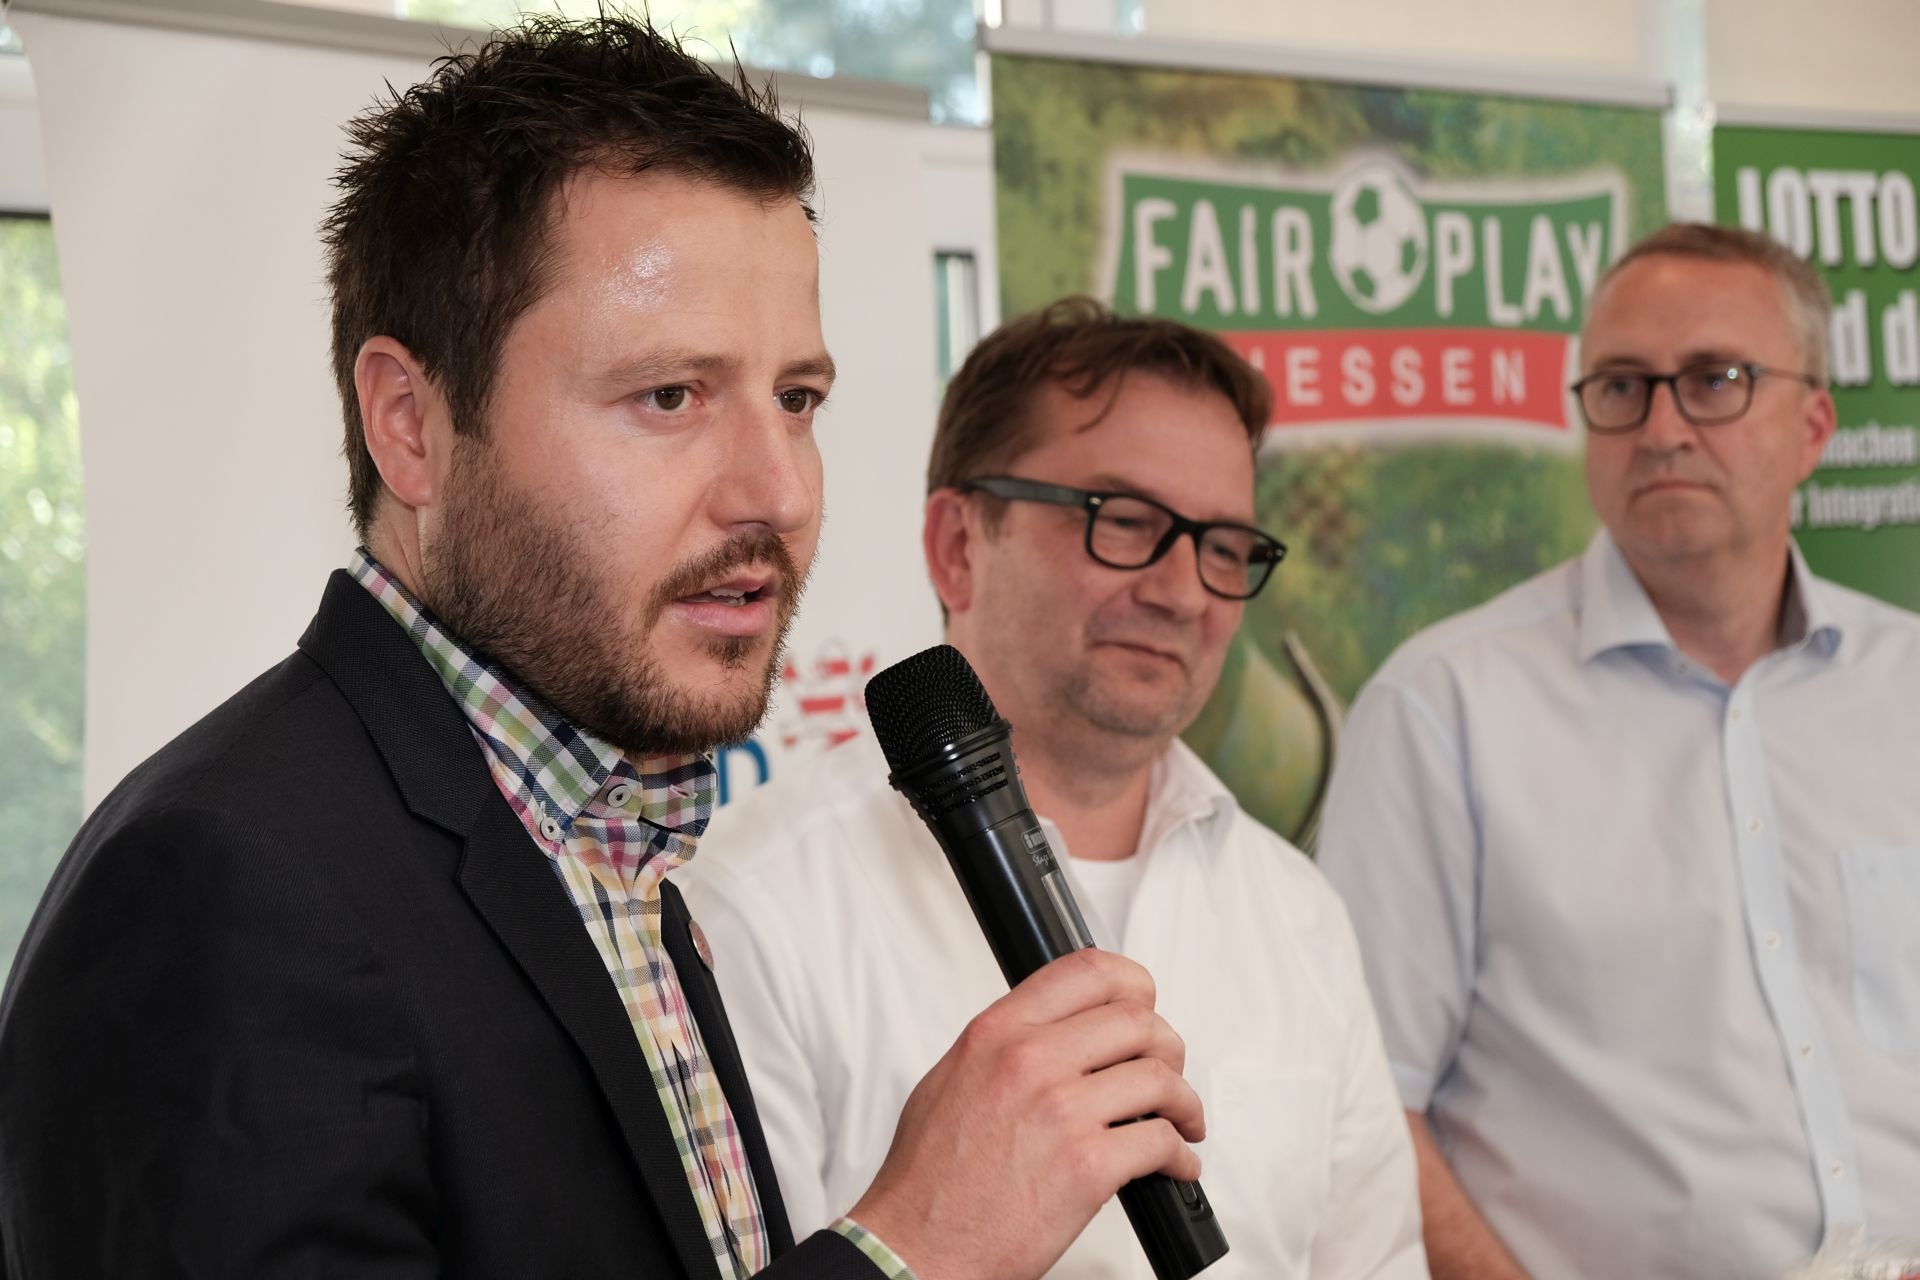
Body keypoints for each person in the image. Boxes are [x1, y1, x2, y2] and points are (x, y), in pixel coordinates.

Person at [0, 21, 1209, 1278]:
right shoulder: (228, 887)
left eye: (796, 399)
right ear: (410, 426)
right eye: (668, 396)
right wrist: (910, 1247)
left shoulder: (611, 842)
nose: (778, 492)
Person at [680, 297, 1428, 1279]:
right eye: (1126, 521)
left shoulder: (1295, 910)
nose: (1183, 592)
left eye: (1223, 546)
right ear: (959, 545)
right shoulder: (752, 905)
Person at [1317, 223, 1920, 1280]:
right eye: (1622, 387)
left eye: (1716, 380)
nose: (1662, 427)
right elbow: (1362, 1107)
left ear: (1814, 426)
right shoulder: (1445, 708)